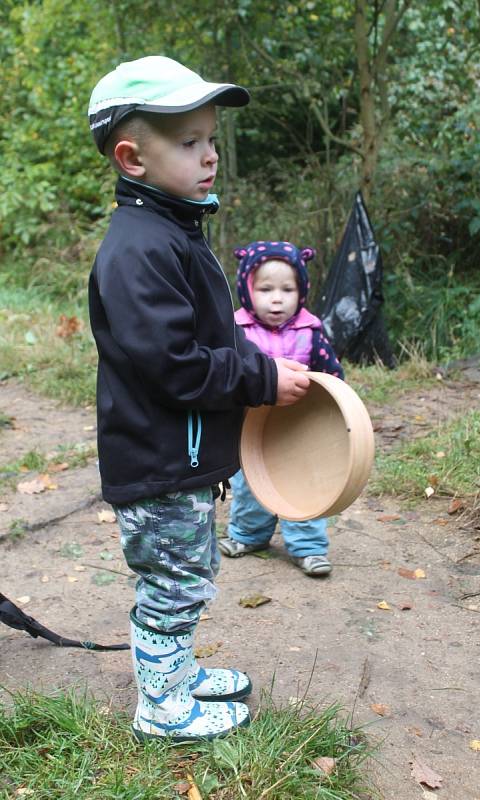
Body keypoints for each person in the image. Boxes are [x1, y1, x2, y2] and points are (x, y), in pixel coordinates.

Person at [87, 56, 310, 743]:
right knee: (174, 585)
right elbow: (173, 367)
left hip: (179, 457)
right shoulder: (138, 250)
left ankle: (174, 676)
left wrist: (260, 370)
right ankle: (161, 707)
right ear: (132, 158)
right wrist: (262, 381)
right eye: (188, 142)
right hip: (157, 461)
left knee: (190, 572)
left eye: (210, 138)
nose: (209, 154)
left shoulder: (172, 232)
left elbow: (207, 336)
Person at [218, 241, 344, 577]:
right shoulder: (236, 332)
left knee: (303, 486)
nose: (277, 298)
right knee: (250, 486)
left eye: (287, 289)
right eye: (266, 289)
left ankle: (309, 548)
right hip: (251, 431)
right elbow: (227, 376)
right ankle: (248, 535)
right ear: (247, 289)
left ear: (301, 291)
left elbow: (333, 376)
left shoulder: (310, 333)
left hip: (298, 429)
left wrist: (335, 412)